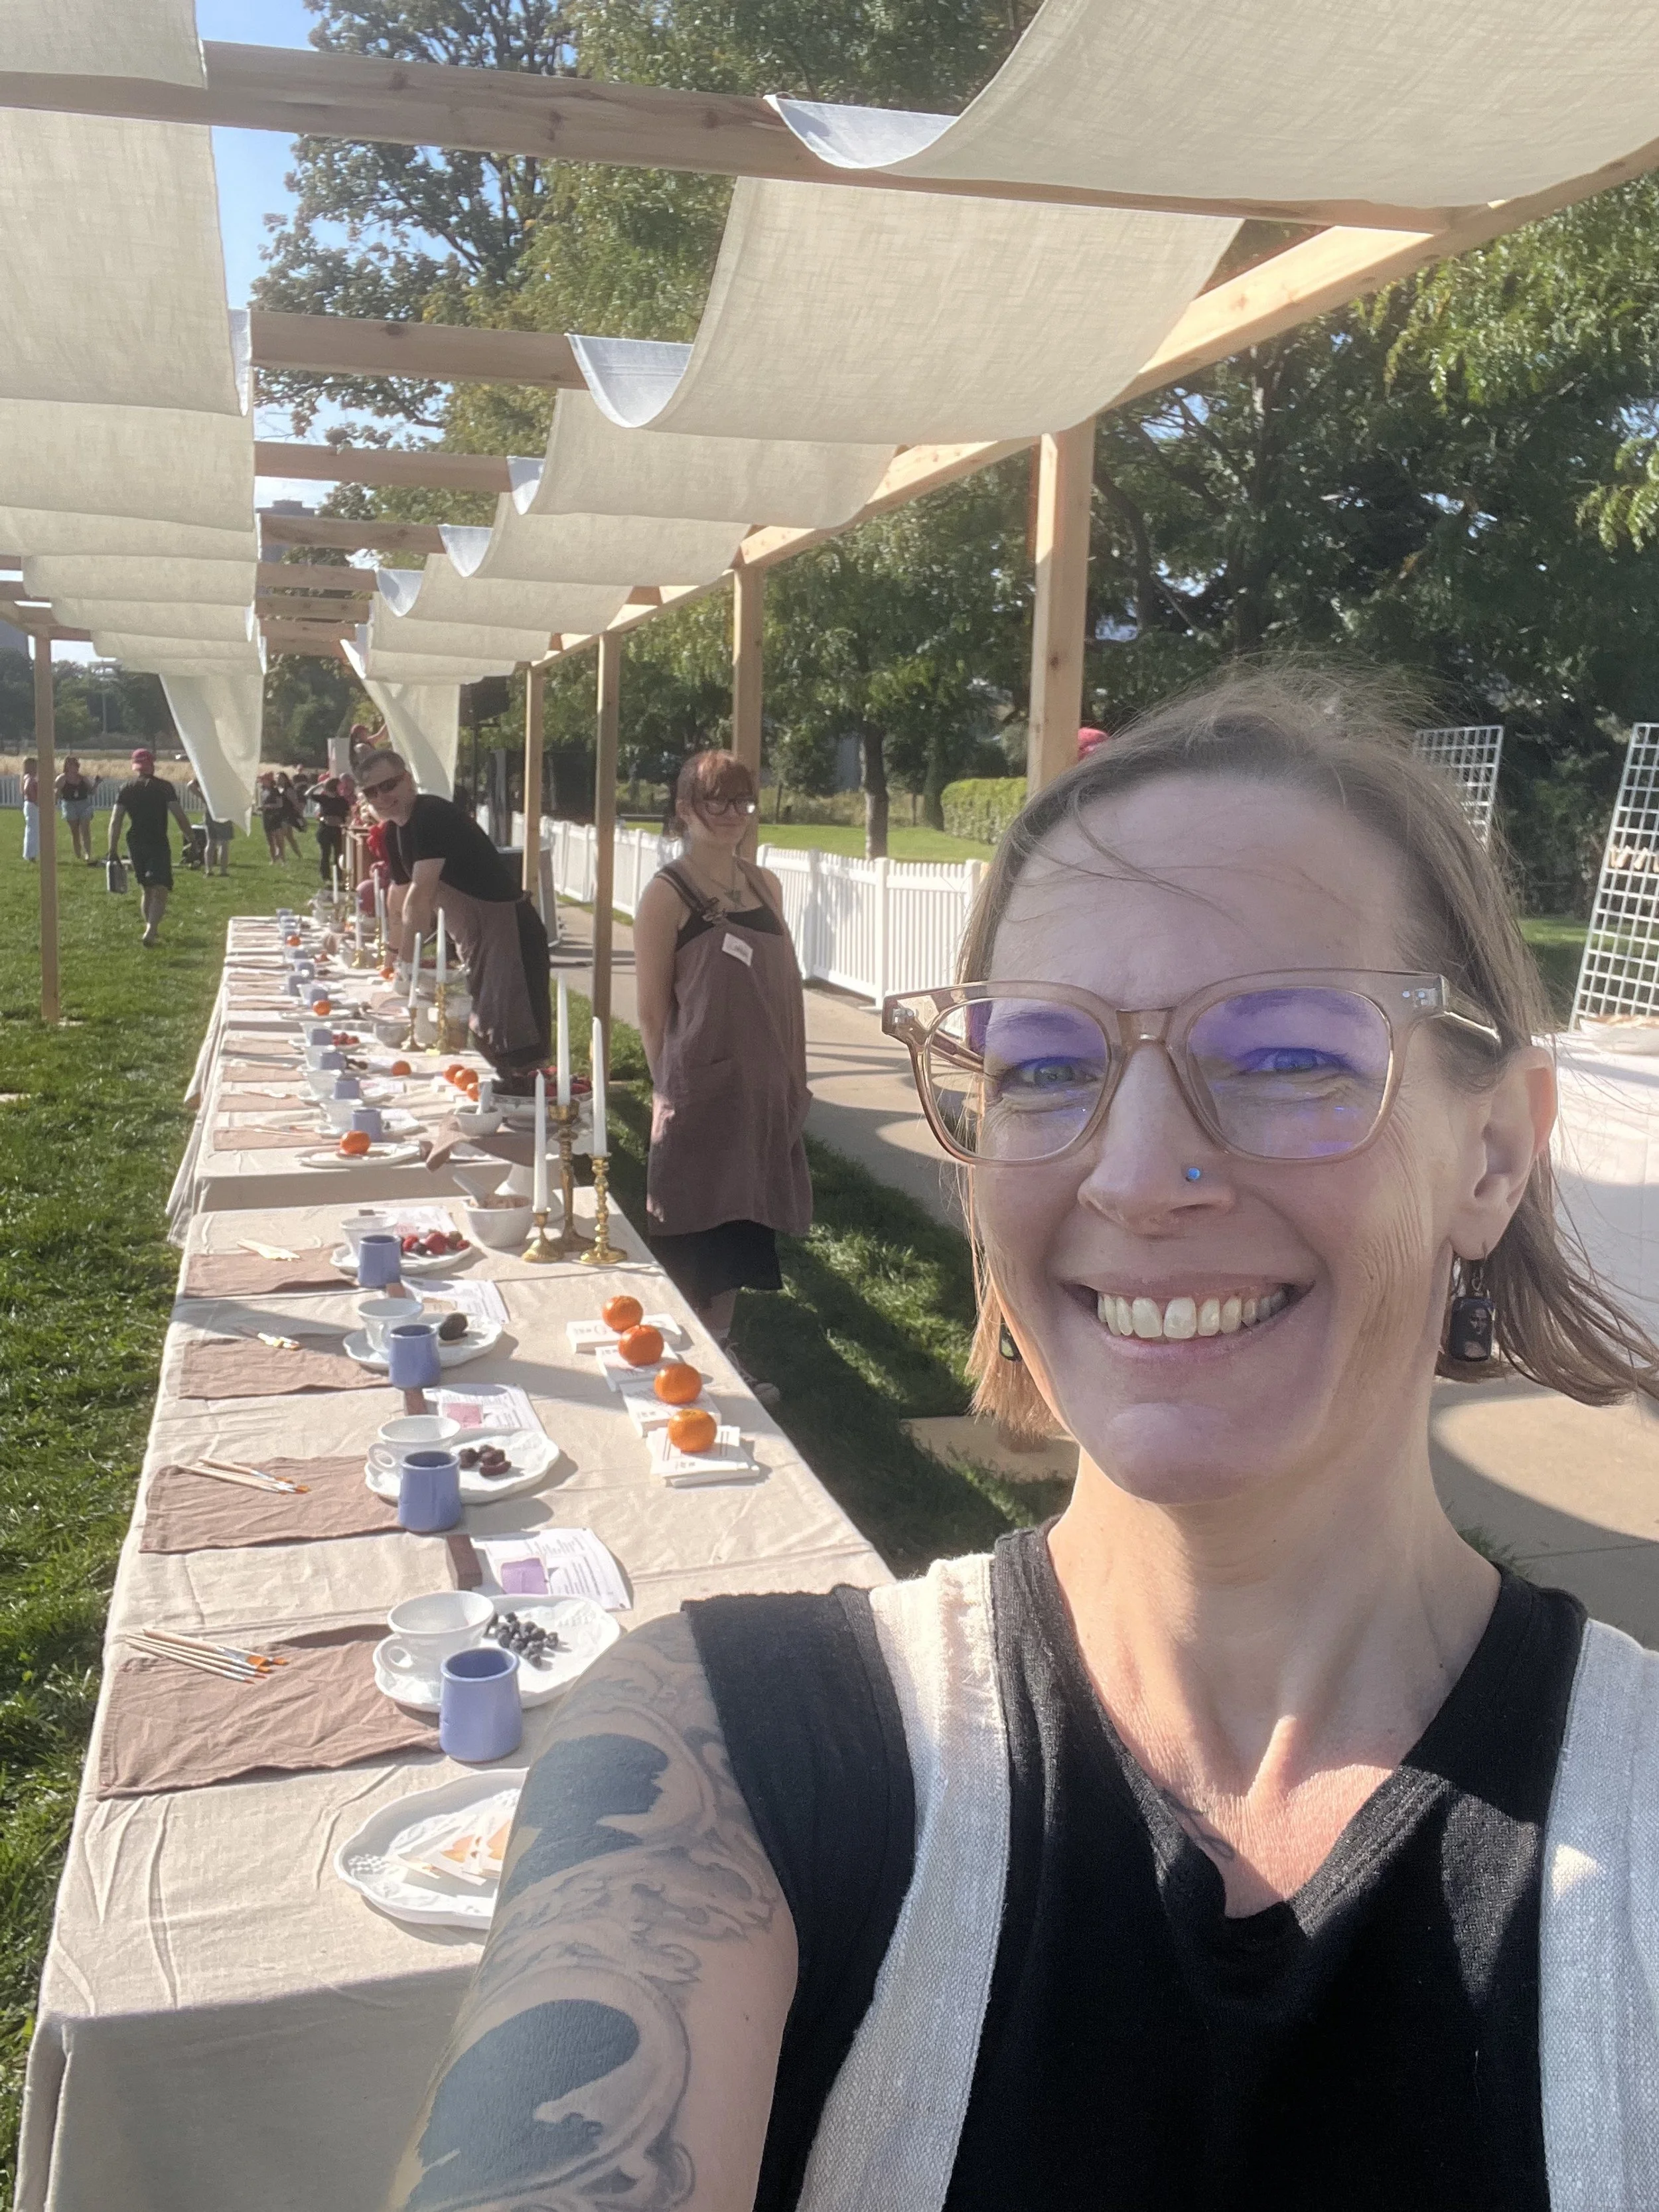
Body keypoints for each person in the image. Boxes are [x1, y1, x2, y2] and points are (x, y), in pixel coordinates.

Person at [391, 672, 1659, 2212]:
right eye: (1047, 1064)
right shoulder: (724, 1760)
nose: (1136, 1173)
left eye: (1283, 1052)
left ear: (1498, 1152)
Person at [632, 749, 809, 1389]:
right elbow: (653, 1013)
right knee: (696, 1227)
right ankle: (686, 1369)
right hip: (699, 1093)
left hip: (761, 1090)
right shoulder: (666, 895)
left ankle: (723, 1356)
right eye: (717, 802)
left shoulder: (767, 886)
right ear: (685, 810)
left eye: (743, 801)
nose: (733, 815)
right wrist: (672, 1090)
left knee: (739, 1232)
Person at [361, 752, 551, 1086]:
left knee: (516, 1044)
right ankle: (505, 1107)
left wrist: (408, 965)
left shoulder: (430, 816)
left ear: (407, 780)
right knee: (486, 1033)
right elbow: (399, 895)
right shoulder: (394, 832)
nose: (381, 797)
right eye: (371, 792)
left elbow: (420, 896)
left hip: (509, 932)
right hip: (474, 939)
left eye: (388, 785)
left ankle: (532, 1121)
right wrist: (392, 954)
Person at [107, 746, 191, 945]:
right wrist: (191, 839)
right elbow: (179, 816)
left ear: (135, 767)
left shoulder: (127, 788)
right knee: (161, 887)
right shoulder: (164, 787)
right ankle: (151, 930)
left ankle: (149, 927)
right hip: (157, 840)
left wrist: (112, 849)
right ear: (152, 765)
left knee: (147, 888)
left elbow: (116, 820)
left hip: (135, 840)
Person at [311, 773, 350, 887]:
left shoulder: (341, 800)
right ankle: (330, 877)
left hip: (335, 829)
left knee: (335, 855)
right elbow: (308, 794)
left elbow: (308, 794)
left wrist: (318, 786)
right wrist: (320, 785)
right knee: (328, 854)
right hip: (327, 829)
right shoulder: (325, 799)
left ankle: (335, 877)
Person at [56, 755, 96, 863]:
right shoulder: (62, 779)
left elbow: (92, 792)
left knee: (85, 829)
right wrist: (55, 801)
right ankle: (78, 853)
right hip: (69, 804)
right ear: (67, 766)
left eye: (77, 765)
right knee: (75, 831)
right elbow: (57, 792)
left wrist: (96, 784)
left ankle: (88, 854)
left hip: (84, 804)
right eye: (73, 765)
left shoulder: (82, 778)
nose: (76, 767)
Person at [256, 772, 289, 865]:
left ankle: (283, 860)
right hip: (266, 817)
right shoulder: (263, 791)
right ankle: (273, 859)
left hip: (275, 817)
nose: (261, 782)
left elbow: (280, 804)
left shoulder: (275, 791)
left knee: (279, 840)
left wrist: (268, 806)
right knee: (270, 839)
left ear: (268, 781)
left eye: (263, 780)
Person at [20, 757, 39, 861]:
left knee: (31, 829)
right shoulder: (30, 778)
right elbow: (28, 789)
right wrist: (35, 800)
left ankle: (29, 853)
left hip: (29, 805)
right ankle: (31, 854)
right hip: (32, 805)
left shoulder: (26, 777)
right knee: (33, 830)